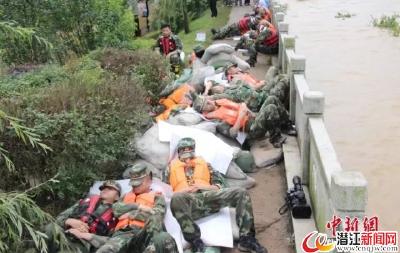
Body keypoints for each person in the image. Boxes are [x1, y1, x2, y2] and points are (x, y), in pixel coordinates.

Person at [166, 137, 268, 253]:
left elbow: (220, 185)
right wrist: (184, 191)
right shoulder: (170, 169)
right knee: (177, 198)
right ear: (178, 152)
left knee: (241, 192)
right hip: (188, 204)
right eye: (183, 149)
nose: (186, 153)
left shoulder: (205, 164)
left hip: (208, 198)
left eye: (189, 149)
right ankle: (196, 242)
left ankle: (247, 239)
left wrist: (203, 187)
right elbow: (167, 193)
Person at [96, 164, 178, 253]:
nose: (135, 187)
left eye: (138, 184)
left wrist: (130, 214)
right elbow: (116, 210)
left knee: (163, 238)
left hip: (144, 233)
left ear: (149, 180)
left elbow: (156, 216)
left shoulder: (157, 197)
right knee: (105, 250)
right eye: (133, 184)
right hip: (123, 233)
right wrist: (138, 207)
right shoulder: (125, 196)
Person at [44, 180, 122, 253]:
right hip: (66, 232)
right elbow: (58, 218)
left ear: (117, 197)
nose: (105, 190)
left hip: (83, 243)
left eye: (110, 189)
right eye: (103, 188)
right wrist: (68, 221)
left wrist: (86, 235)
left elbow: (114, 241)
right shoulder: (84, 202)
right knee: (50, 228)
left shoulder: (118, 215)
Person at [191, 91, 287, 147]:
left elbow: (241, 106)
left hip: (253, 117)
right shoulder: (216, 120)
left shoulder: (220, 102)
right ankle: (275, 139)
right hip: (252, 129)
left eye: (208, 100)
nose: (210, 102)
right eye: (207, 104)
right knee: (270, 108)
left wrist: (248, 111)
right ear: (204, 112)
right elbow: (232, 133)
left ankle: (287, 124)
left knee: (272, 98)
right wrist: (241, 115)